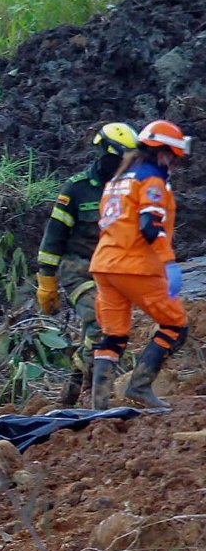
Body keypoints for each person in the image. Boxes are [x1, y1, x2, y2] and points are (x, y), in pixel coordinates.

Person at [89, 120, 193, 409]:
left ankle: (99, 405)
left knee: (114, 335)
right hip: (133, 266)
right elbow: (150, 226)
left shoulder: (117, 180)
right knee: (175, 325)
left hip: (104, 265)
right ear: (162, 153)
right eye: (172, 157)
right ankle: (140, 386)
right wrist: (169, 263)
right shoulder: (151, 180)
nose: (173, 164)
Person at [35, 123, 140, 405]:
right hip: (79, 269)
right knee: (99, 319)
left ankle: (73, 392)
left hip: (115, 271)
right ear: (105, 153)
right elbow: (54, 236)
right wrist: (47, 280)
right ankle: (97, 397)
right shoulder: (77, 190)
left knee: (110, 331)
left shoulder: (131, 188)